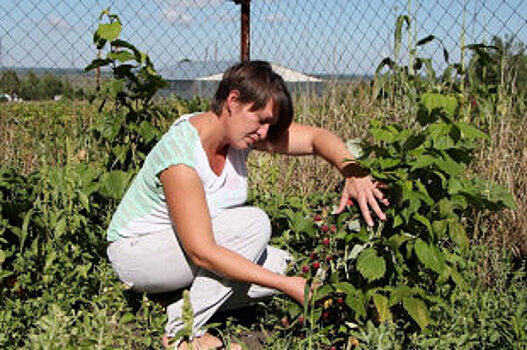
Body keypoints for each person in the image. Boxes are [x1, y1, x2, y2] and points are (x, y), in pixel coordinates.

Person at [106, 61, 389, 349]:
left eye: (270, 124)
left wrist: (353, 171)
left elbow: (317, 138)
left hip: (181, 252)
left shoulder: (240, 137)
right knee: (254, 227)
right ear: (233, 100)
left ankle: (178, 297)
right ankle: (182, 331)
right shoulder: (181, 155)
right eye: (261, 120)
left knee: (283, 264)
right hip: (138, 254)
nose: (265, 133)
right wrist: (284, 285)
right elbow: (202, 252)